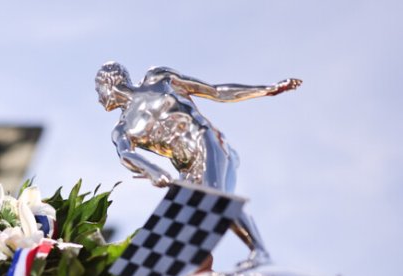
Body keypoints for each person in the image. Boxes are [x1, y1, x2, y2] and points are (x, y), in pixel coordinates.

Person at [95, 61, 300, 193]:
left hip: (205, 142)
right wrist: (153, 170)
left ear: (108, 83)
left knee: (212, 199)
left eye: (99, 91)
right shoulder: (122, 128)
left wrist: (267, 90)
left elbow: (216, 92)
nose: (99, 99)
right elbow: (126, 155)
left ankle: (258, 251)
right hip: (186, 169)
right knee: (187, 222)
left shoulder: (159, 79)